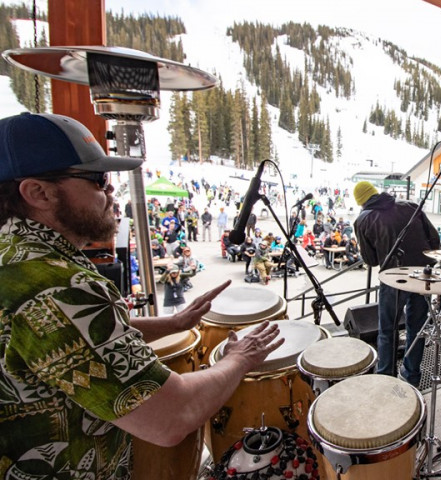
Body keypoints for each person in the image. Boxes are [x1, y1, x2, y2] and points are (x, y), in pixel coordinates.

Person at [0, 112, 284, 479]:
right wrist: (239, 359)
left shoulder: (16, 259)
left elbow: (62, 339)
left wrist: (173, 323)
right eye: (98, 179)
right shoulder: (57, 285)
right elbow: (171, 417)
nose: (110, 192)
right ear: (38, 192)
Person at [353, 180, 440, 387]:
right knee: (416, 328)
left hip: (393, 278)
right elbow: (434, 239)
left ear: (361, 202)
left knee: (387, 330)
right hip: (422, 276)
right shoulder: (409, 206)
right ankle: (411, 376)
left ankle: (386, 376)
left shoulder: (363, 219)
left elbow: (371, 260)